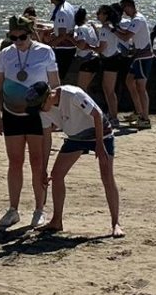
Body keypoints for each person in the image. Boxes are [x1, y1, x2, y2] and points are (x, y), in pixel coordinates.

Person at [0, 14, 61, 230]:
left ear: (30, 34)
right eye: (13, 38)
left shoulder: (45, 52)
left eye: (22, 37)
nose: (18, 41)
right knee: (14, 162)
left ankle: (40, 209)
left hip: (37, 116)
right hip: (12, 114)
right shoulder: (5, 54)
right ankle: (13, 209)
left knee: (38, 163)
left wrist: (55, 116)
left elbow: (55, 86)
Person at [38, 82, 123, 237]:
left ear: (49, 95)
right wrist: (43, 169)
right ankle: (57, 221)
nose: (40, 109)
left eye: (41, 105)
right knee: (56, 175)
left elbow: (96, 115)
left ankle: (115, 223)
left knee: (107, 177)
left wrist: (99, 144)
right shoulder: (43, 109)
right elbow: (47, 138)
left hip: (101, 133)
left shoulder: (73, 95)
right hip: (75, 137)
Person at [119, 0, 154, 128]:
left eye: (124, 9)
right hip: (138, 56)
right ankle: (139, 111)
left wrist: (112, 30)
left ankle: (145, 118)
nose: (124, 13)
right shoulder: (135, 20)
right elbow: (126, 32)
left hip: (143, 58)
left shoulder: (138, 19)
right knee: (129, 81)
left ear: (129, 6)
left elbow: (126, 36)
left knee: (141, 87)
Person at [95, 2, 128, 125]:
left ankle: (114, 117)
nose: (97, 15)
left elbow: (101, 48)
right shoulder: (112, 27)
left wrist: (88, 47)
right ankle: (112, 114)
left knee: (109, 90)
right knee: (108, 89)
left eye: (99, 13)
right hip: (112, 59)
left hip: (110, 60)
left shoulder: (105, 29)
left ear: (106, 15)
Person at [46, 0, 77, 79]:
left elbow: (62, 35)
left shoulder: (61, 12)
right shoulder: (68, 6)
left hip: (63, 50)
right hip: (69, 48)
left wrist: (48, 46)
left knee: (56, 78)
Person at [70, 7, 100, 93]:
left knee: (81, 90)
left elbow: (82, 46)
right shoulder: (91, 26)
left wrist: (70, 39)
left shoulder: (80, 28)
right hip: (95, 58)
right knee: (86, 88)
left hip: (85, 60)